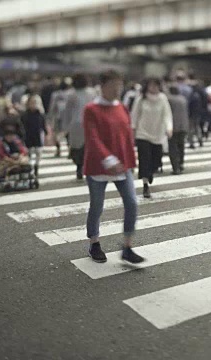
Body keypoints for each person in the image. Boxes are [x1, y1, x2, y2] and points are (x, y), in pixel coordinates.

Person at [82, 70, 144, 265]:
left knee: (132, 203)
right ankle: (94, 242)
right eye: (113, 86)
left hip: (122, 166)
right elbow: (93, 138)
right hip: (98, 166)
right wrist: (108, 159)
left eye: (119, 85)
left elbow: (126, 137)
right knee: (97, 206)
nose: (117, 89)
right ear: (103, 86)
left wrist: (130, 160)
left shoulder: (122, 108)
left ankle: (127, 246)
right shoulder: (91, 109)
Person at [131, 77, 173, 199]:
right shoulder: (141, 99)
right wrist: (133, 129)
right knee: (144, 160)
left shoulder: (162, 99)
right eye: (151, 85)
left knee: (156, 161)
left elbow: (167, 114)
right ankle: (145, 185)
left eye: (156, 85)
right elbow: (135, 115)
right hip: (142, 134)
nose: (153, 88)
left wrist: (169, 127)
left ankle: (150, 172)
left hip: (157, 135)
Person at [63, 73, 96, 180]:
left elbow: (67, 111)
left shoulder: (71, 94)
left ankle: (79, 166)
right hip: (91, 123)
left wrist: (65, 127)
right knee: (88, 147)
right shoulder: (93, 93)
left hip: (76, 124)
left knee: (77, 148)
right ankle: (87, 167)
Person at [20, 96, 48, 176]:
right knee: (28, 152)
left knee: (38, 152)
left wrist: (45, 132)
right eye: (32, 103)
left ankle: (36, 165)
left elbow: (43, 124)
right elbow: (22, 125)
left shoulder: (40, 114)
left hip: (38, 135)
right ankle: (30, 166)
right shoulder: (25, 115)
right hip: (28, 135)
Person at [166, 86, 189, 175]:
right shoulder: (183, 99)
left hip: (173, 126)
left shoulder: (169, 99)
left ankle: (176, 167)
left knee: (173, 147)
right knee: (181, 145)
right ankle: (181, 163)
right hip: (183, 125)